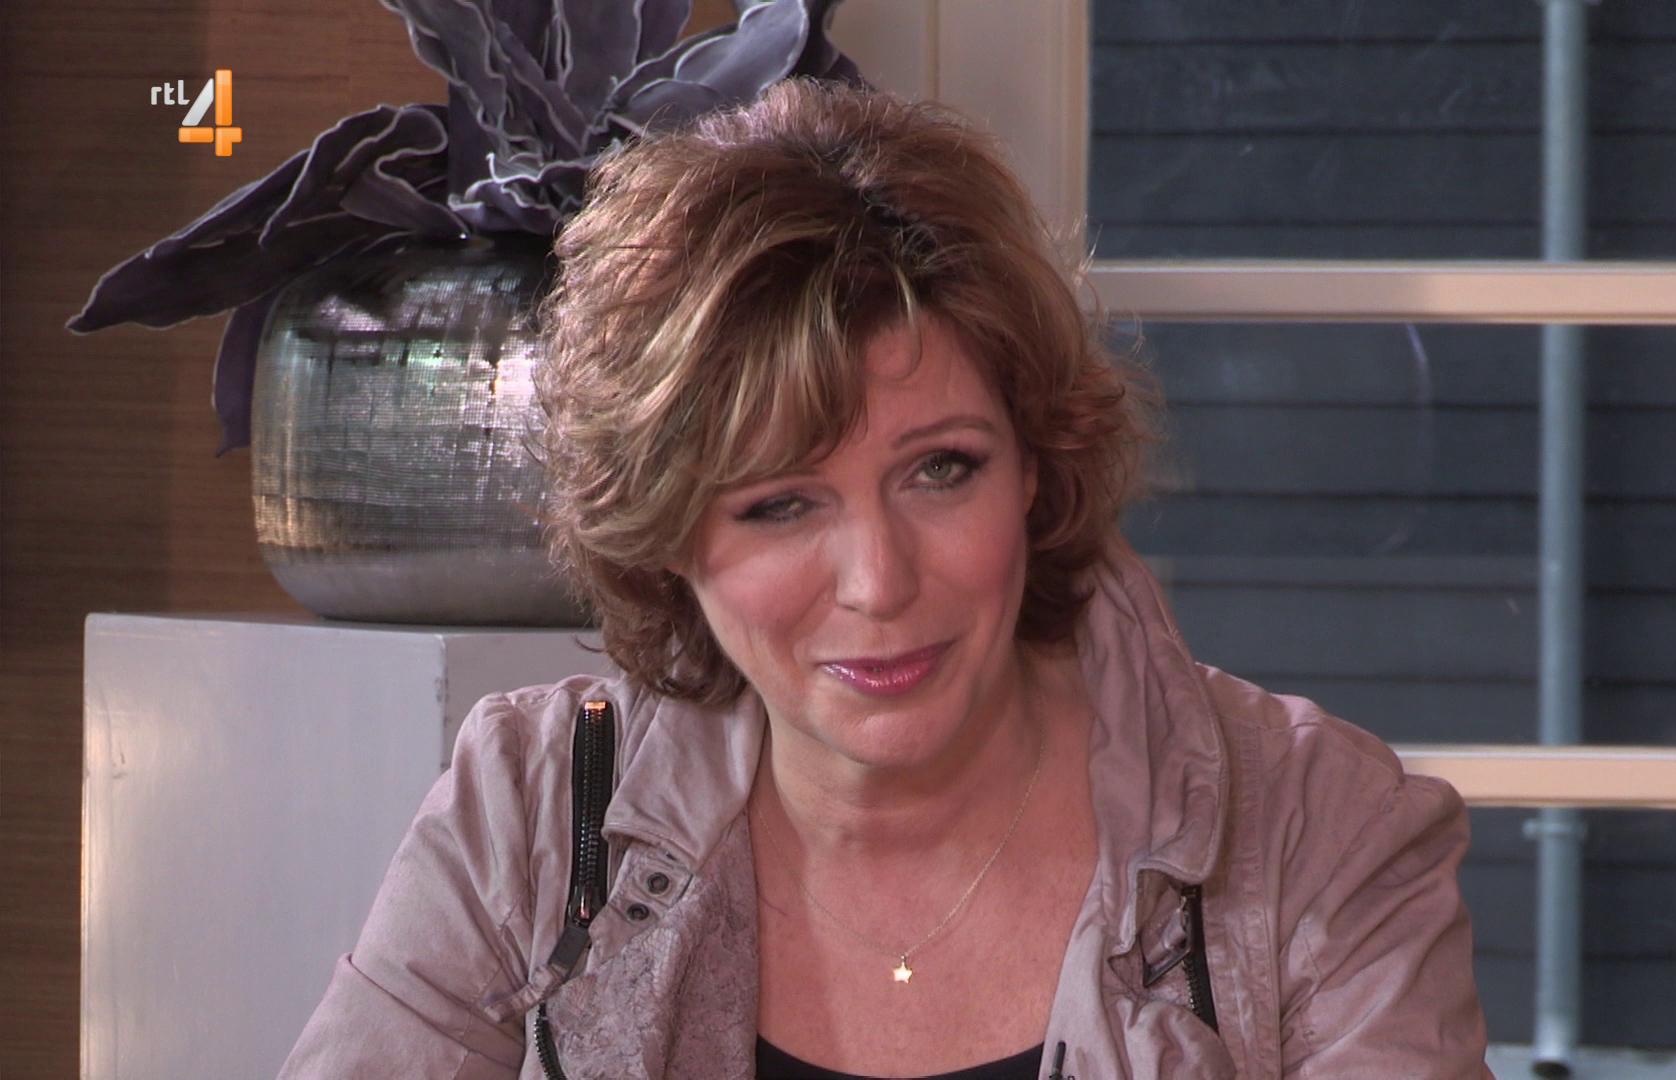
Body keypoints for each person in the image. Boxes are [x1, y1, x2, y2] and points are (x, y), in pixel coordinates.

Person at [280, 79, 1490, 1078]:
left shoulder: (1315, 833)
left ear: (1034, 465)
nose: (878, 581)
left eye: (940, 471)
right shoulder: (536, 814)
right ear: (667, 536)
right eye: (780, 504)